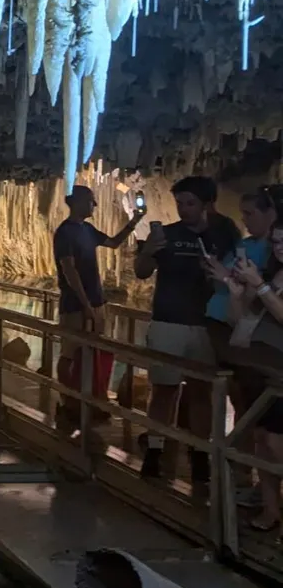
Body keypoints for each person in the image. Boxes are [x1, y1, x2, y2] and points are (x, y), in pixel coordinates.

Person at [134, 175, 239, 483]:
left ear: (208, 205)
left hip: (207, 325)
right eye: (179, 203)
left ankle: (199, 456)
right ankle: (154, 450)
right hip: (169, 321)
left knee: (200, 393)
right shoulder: (166, 235)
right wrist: (148, 250)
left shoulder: (224, 235)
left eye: (190, 203)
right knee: (164, 391)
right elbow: (141, 273)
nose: (183, 209)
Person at [205, 207, 283, 532]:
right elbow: (242, 320)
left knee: (277, 443)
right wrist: (237, 293)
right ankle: (270, 508)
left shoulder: (268, 280)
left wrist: (260, 286)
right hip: (260, 367)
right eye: (277, 242)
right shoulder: (273, 275)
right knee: (262, 438)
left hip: (280, 372)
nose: (280, 248)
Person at [52, 184, 140, 426]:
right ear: (77, 202)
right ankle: (68, 402)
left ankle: (92, 398)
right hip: (76, 305)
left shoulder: (87, 230)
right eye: (91, 200)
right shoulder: (65, 233)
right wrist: (86, 305)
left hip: (96, 301)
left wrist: (134, 222)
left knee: (94, 352)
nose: (95, 205)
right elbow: (69, 271)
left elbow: (112, 243)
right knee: (70, 353)